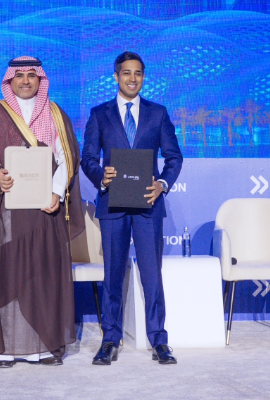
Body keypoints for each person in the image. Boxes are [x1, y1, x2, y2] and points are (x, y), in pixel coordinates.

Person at [0, 56, 84, 368]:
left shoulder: (55, 114)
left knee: (43, 277)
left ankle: (42, 348)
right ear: (10, 80)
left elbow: (67, 157)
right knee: (7, 277)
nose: (26, 81)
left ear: (40, 80)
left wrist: (56, 191)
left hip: (45, 212)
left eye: (32, 75)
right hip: (7, 214)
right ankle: (4, 350)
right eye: (20, 76)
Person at [81, 51, 183, 365]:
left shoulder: (158, 113)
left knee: (152, 276)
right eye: (126, 73)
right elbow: (88, 158)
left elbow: (174, 157)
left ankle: (159, 341)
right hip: (113, 204)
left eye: (138, 73)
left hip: (148, 204)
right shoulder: (99, 114)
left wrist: (162, 184)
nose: (132, 78)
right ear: (116, 76)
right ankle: (110, 339)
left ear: (143, 77)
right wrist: (101, 176)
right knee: (113, 276)